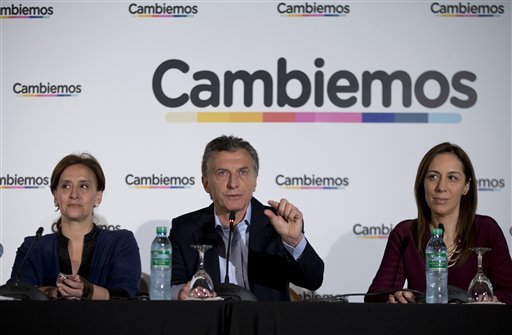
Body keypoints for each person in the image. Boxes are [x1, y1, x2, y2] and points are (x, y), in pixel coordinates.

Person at [169, 135, 324, 301]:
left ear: (255, 181)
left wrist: (294, 241)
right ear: (206, 183)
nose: (233, 183)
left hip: (266, 323)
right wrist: (180, 293)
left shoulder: (278, 223)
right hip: (208, 323)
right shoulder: (184, 228)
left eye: (243, 172)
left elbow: (313, 281)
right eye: (222, 173)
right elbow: (172, 285)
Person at [365, 142, 512, 304]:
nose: (441, 187)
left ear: (466, 186)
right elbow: (375, 297)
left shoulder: (486, 229)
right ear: (422, 184)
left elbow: (509, 291)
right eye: (433, 176)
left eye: (452, 178)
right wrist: (395, 297)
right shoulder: (405, 234)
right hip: (422, 326)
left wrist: (493, 300)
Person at [6, 153, 141, 300]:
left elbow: (125, 295)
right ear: (56, 196)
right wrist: (52, 292)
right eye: (66, 186)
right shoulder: (33, 247)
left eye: (83, 186)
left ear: (98, 196)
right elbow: (17, 291)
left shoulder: (120, 242)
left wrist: (87, 291)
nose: (74, 194)